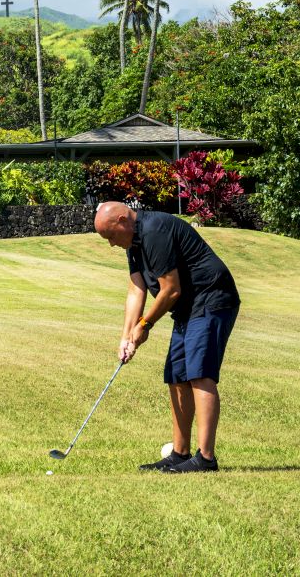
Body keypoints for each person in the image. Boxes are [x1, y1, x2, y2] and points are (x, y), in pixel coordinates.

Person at [93, 201, 240, 473]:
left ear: (124, 220)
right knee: (176, 374)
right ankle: (180, 453)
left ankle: (206, 458)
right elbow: (136, 289)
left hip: (211, 298)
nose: (111, 244)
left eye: (111, 236)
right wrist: (126, 336)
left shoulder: (154, 231)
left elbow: (171, 289)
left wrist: (145, 325)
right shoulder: (133, 243)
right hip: (188, 307)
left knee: (200, 374)